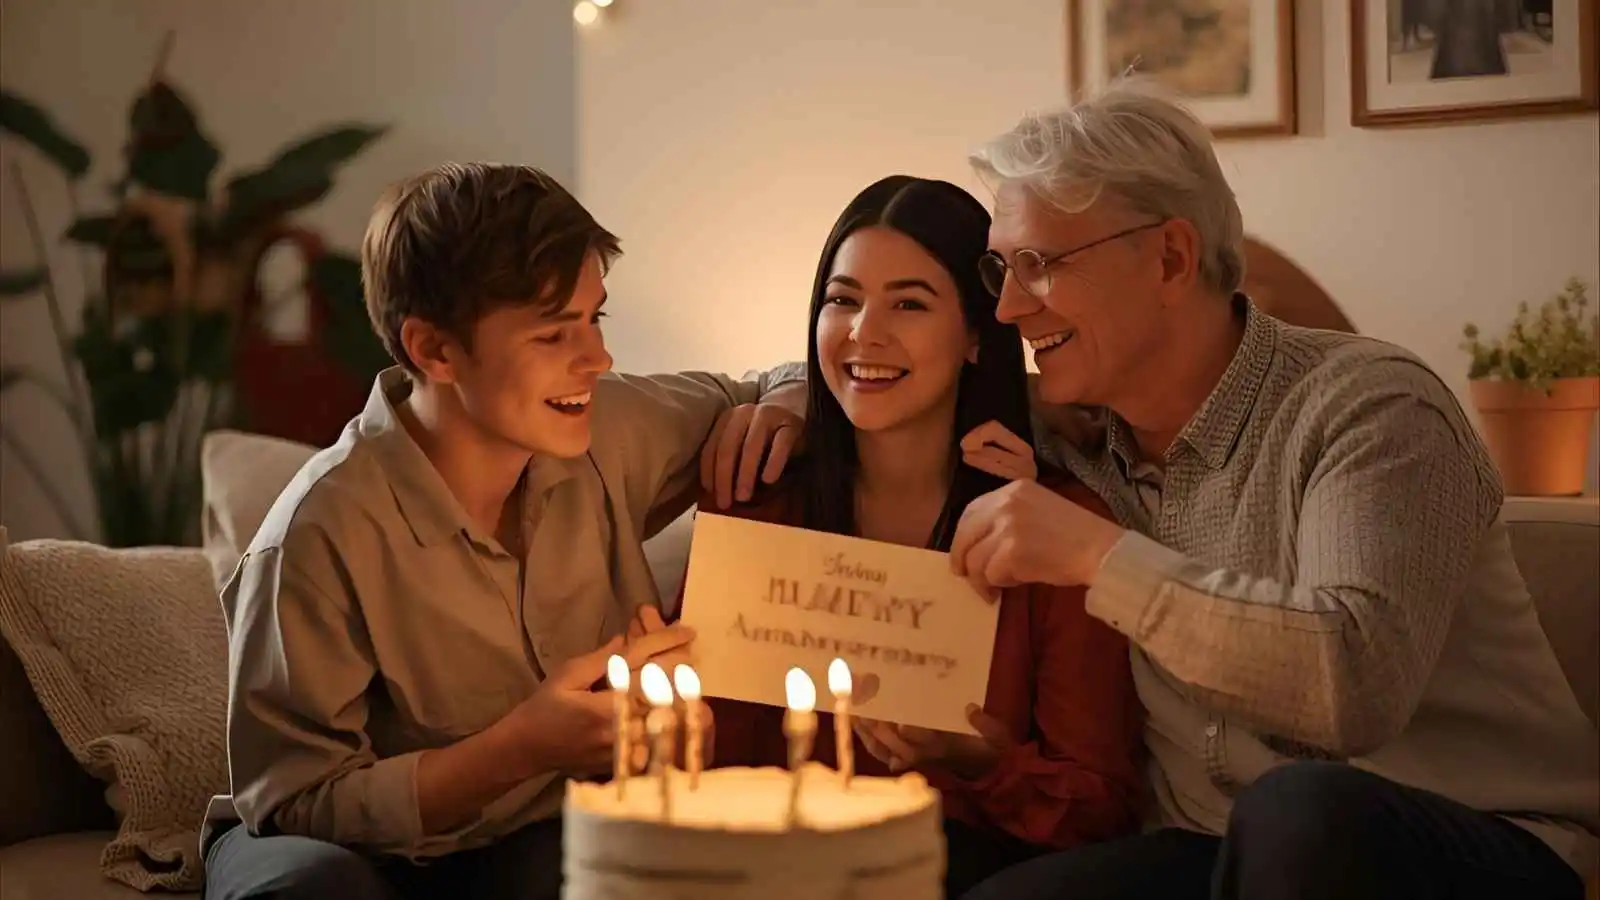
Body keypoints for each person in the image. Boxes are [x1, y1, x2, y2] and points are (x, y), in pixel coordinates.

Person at [701, 83, 1598, 900]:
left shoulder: (1371, 410)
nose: (1011, 310)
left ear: (1170, 259)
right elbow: (902, 366)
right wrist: (786, 394)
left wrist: (1099, 558)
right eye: (998, 272)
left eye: (1040, 266)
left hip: (1469, 841)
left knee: (1300, 816)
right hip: (1201, 852)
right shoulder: (1070, 430)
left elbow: (1348, 690)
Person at [203, 162, 806, 900]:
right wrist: (520, 745)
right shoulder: (319, 532)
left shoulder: (609, 428)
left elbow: (780, 378)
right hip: (333, 851)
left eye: (596, 318)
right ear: (434, 350)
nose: (598, 358)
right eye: (555, 334)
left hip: (529, 838)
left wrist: (786, 407)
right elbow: (294, 802)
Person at [673, 175, 1146, 899]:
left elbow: (1101, 811)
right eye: (843, 299)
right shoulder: (754, 505)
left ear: (976, 340)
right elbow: (691, 768)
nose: (866, 332)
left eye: (910, 304)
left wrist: (981, 760)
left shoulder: (1053, 530)